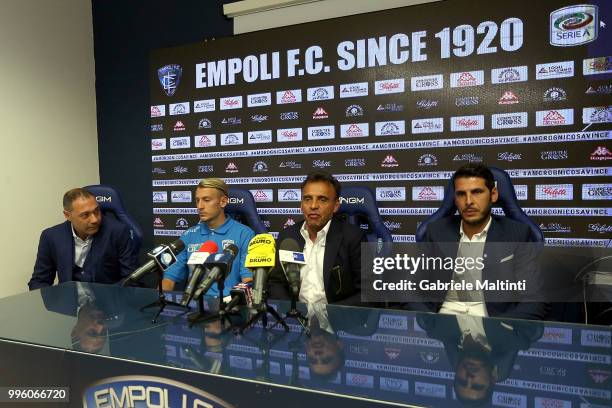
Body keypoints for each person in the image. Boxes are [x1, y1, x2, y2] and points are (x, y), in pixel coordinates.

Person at [407, 163, 547, 320]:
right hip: (443, 327)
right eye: (461, 194)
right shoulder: (436, 232)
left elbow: (533, 300)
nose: (468, 201)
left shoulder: (517, 234)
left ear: (493, 194)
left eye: (477, 192)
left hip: (494, 326)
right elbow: (412, 291)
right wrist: (429, 322)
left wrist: (504, 329)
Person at [268, 171, 365, 305]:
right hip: (296, 319)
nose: (313, 206)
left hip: (337, 320)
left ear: (336, 205)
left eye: (322, 199)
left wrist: (327, 314)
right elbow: (275, 283)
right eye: (307, 199)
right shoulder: (287, 236)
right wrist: (292, 311)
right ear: (301, 204)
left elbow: (367, 292)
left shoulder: (354, 237)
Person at [417, 313, 542, 406]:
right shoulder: (519, 334)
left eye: (461, 381)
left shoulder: (434, 325)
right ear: (493, 377)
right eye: (477, 386)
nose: (469, 378)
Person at [28, 188, 138, 290]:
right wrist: (56, 302)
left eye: (96, 211)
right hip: (69, 306)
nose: (95, 219)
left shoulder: (118, 232)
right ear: (67, 215)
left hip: (108, 303)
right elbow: (39, 281)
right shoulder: (51, 237)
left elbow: (131, 279)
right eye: (85, 215)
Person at [161, 178, 255, 297]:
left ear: (223, 202)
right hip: (194, 305)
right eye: (197, 200)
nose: (200, 206)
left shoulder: (245, 234)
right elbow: (169, 278)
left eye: (206, 200)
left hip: (228, 307)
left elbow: (247, 281)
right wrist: (162, 302)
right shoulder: (189, 235)